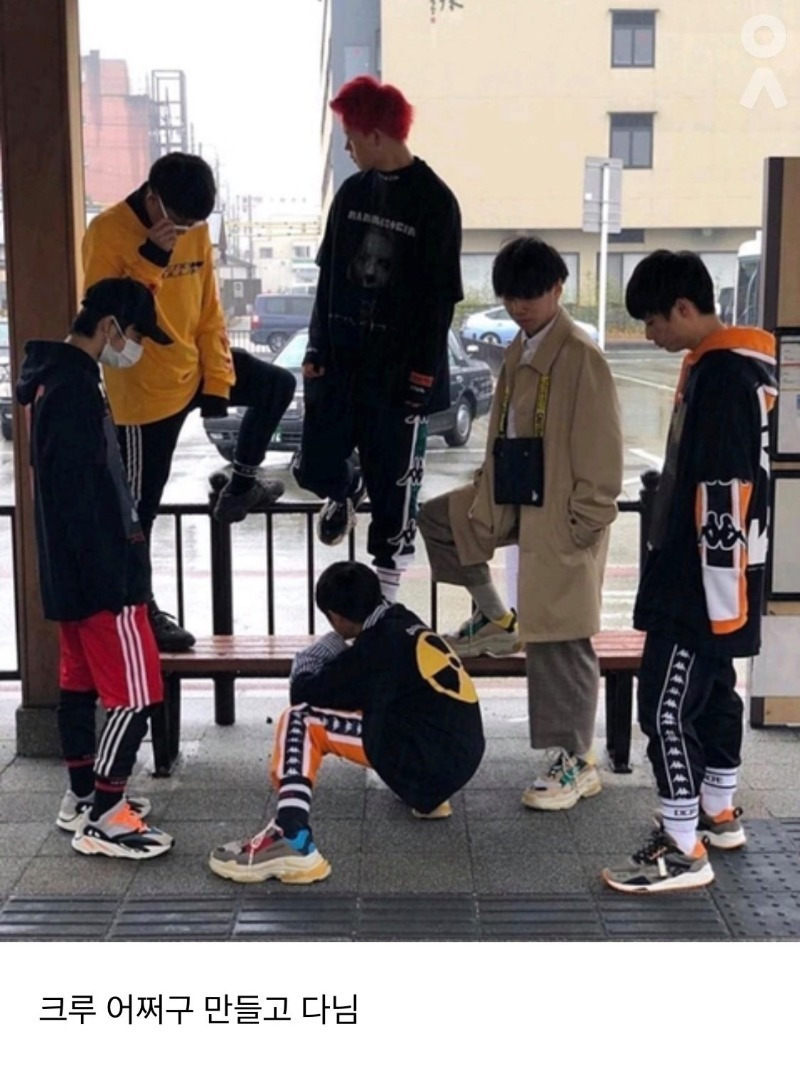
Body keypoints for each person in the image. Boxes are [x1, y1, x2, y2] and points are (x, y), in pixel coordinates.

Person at [418, 237, 623, 811]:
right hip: (509, 493)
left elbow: (604, 453)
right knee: (438, 519)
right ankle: (494, 615)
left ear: (557, 289)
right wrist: (485, 485)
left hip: (558, 508)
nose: (518, 307)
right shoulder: (521, 348)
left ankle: (576, 760)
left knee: (561, 635)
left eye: (529, 295)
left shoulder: (579, 356)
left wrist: (584, 523)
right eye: (510, 297)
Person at [602, 250, 777, 893]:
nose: (649, 335)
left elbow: (724, 490)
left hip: (702, 582)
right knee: (715, 694)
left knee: (666, 708)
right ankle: (717, 811)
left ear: (682, 307)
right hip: (728, 575)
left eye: (653, 321)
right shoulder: (741, 366)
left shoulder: (723, 376)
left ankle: (681, 847)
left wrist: (716, 600)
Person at [82, 152, 295, 651]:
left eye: (194, 224)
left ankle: (241, 486)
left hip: (192, 368)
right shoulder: (108, 231)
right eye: (178, 222)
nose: (185, 231)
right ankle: (142, 611)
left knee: (275, 385)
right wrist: (153, 257)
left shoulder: (195, 230)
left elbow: (208, 311)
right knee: (138, 512)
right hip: (142, 391)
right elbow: (105, 314)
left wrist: (218, 380)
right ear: (153, 197)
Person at [16, 278, 178, 859]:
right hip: (104, 577)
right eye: (134, 334)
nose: (135, 346)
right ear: (109, 326)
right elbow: (86, 499)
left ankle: (83, 796)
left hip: (70, 574)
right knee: (137, 691)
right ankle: (108, 816)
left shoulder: (50, 382)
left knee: (80, 684)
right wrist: (119, 579)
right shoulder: (76, 391)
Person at [293, 76, 463, 603]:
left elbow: (439, 301)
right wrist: (315, 347)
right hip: (340, 365)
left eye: (350, 137)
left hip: (399, 376)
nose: (346, 148)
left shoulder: (435, 202)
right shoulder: (350, 194)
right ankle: (346, 488)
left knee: (395, 492)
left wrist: (423, 375)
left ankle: (385, 604)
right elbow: (327, 277)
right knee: (314, 467)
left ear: (375, 135)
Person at [208, 561, 485, 884]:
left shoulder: (374, 649)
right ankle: (430, 797)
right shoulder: (403, 621)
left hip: (431, 761)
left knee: (301, 720)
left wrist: (321, 650)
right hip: (460, 754)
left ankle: (291, 835)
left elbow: (304, 692)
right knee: (386, 710)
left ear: (336, 617)